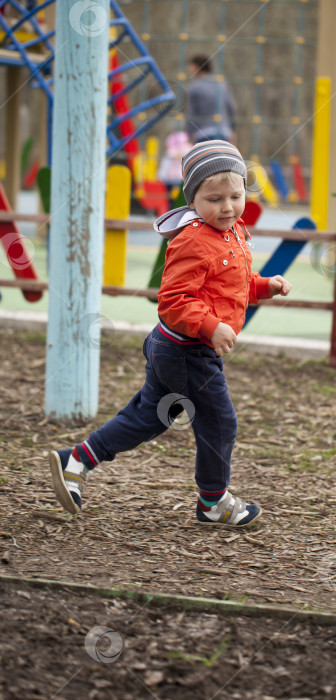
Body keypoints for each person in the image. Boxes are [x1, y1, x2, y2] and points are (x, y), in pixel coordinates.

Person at [49, 140, 292, 528]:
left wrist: (264, 286)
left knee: (151, 415)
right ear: (193, 199)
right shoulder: (193, 240)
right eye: (214, 198)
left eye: (235, 195)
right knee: (219, 422)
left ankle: (76, 459)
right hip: (187, 351)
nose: (227, 206)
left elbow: (232, 285)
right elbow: (174, 301)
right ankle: (213, 502)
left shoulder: (231, 231)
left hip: (174, 349)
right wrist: (211, 326)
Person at [185, 55, 236, 143]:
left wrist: (187, 135)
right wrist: (232, 130)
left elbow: (192, 114)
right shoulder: (221, 84)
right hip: (223, 131)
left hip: (203, 133)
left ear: (196, 67)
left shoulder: (194, 87)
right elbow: (231, 107)